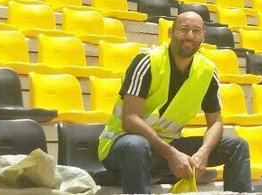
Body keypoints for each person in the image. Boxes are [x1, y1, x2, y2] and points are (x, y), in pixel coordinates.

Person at [98, 11, 252, 193]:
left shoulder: (207, 71)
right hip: (121, 146)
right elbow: (130, 119)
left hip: (164, 148)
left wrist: (203, 153)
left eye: (196, 31)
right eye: (184, 29)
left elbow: (216, 122)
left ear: (203, 36)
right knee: (137, 145)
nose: (190, 36)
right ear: (170, 33)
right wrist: (171, 154)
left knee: (236, 145)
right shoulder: (147, 61)